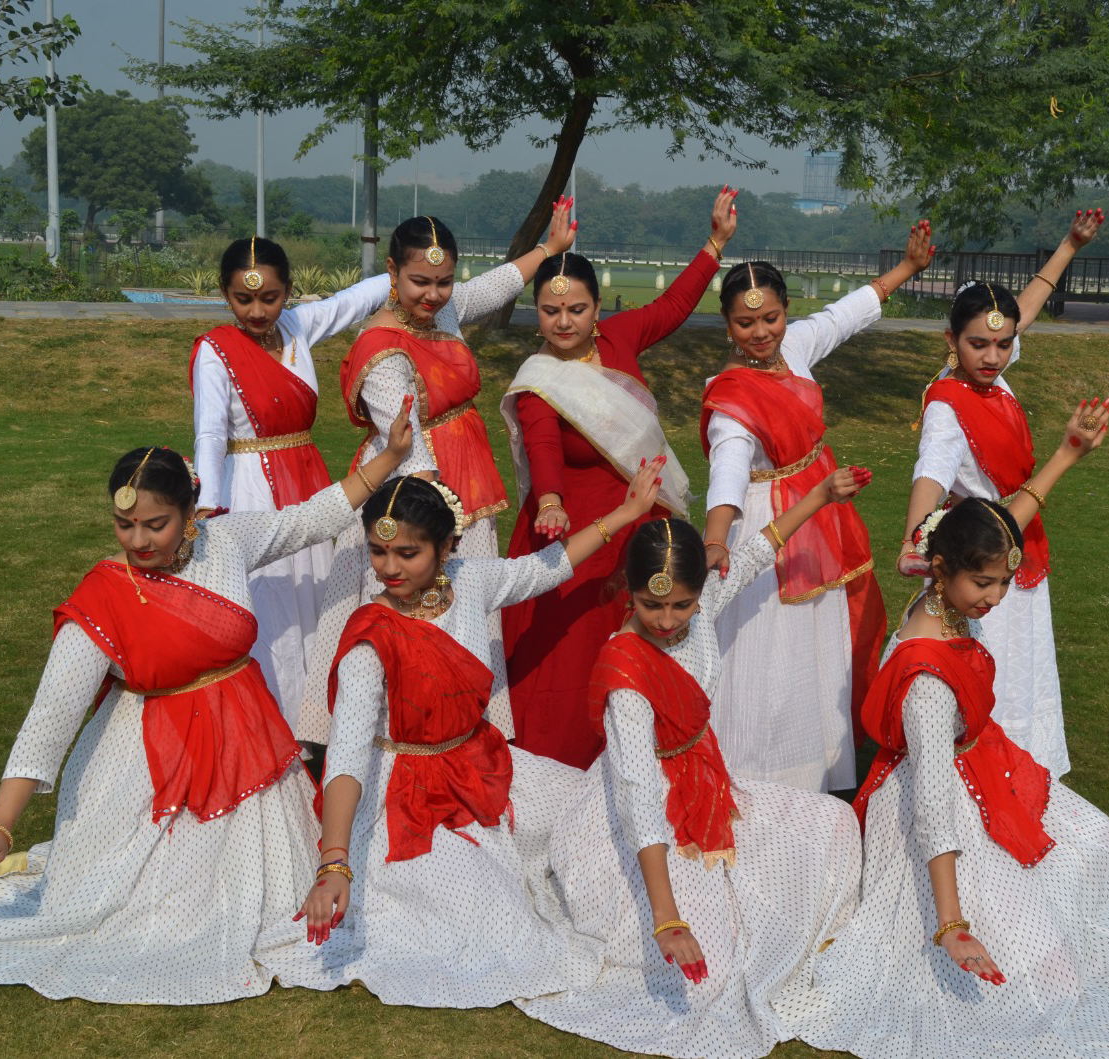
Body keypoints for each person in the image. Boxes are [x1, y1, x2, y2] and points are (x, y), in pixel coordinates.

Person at [0, 410, 417, 1005]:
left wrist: (387, 456)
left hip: (247, 739)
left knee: (271, 894)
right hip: (149, 761)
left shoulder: (226, 541)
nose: (138, 541)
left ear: (189, 516)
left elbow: (307, 520)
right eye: (124, 525)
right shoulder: (104, 594)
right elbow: (50, 716)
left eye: (155, 524)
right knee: (163, 915)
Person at [776, 401, 1109, 1059]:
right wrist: (951, 923)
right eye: (985, 582)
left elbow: (998, 524)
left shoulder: (941, 577)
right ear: (941, 569)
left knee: (1075, 862)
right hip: (935, 809)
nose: (995, 597)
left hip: (977, 766)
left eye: (1001, 581)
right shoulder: (928, 683)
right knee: (1035, 962)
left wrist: (1064, 456)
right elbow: (935, 810)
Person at [266, 462, 664, 1008]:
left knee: (594, 804)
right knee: (489, 923)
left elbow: (541, 570)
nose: (390, 569)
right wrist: (334, 862)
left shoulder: (472, 581)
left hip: (479, 764)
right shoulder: (371, 641)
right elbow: (347, 757)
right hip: (407, 798)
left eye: (408, 554)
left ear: (446, 547)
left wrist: (626, 513)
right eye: (379, 553)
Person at [517, 467, 870, 1059]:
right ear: (628, 592)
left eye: (681, 603)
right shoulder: (625, 675)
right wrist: (665, 917)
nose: (667, 620)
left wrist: (818, 497)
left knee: (832, 824)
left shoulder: (701, 612)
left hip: (707, 785)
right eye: (652, 605)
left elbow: (756, 552)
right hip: (642, 821)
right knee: (717, 960)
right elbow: (637, 796)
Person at [297, 204, 576, 744]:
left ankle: (471, 723)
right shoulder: (380, 349)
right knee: (416, 600)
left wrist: (549, 248)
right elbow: (413, 453)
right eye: (419, 281)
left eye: (444, 282)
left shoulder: (439, 314)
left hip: (465, 475)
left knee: (469, 602)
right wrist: (439, 529)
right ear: (392, 276)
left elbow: (487, 290)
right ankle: (387, 728)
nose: (434, 294)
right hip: (415, 495)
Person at [498, 186, 738, 768]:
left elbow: (673, 307)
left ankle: (660, 754)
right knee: (573, 656)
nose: (563, 321)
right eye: (551, 310)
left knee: (655, 631)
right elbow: (543, 442)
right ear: (537, 313)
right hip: (577, 530)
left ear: (598, 309)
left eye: (576, 309)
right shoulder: (539, 380)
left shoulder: (621, 338)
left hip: (642, 522)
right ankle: (568, 769)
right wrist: (550, 499)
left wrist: (716, 243)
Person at [698, 223, 935, 793]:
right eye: (745, 322)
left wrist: (906, 269)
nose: (761, 332)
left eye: (771, 317)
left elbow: (842, 316)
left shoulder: (796, 348)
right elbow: (728, 471)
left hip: (820, 510)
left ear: (785, 312)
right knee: (766, 647)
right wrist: (715, 539)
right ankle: (754, 770)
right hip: (767, 523)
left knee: (820, 640)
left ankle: (821, 770)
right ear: (727, 325)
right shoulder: (730, 395)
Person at [896, 210, 1105, 777]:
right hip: (984, 559)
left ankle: (1026, 773)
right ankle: (990, 779)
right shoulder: (948, 402)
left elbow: (1024, 309)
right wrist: (916, 537)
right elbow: (931, 474)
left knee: (1027, 666)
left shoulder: (993, 377)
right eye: (979, 345)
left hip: (1021, 550)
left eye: (1004, 344)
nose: (993, 356)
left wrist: (1068, 245)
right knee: (999, 670)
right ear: (951, 341)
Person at [189, 235, 389, 728]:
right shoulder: (215, 351)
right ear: (223, 293)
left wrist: (401, 272)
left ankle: (324, 720)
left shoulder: (298, 326)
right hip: (250, 490)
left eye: (269, 297)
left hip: (309, 478)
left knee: (321, 593)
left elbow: (356, 299)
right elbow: (211, 434)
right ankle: (274, 722)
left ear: (290, 292)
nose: (257, 310)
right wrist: (207, 511)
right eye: (243, 298)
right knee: (272, 600)